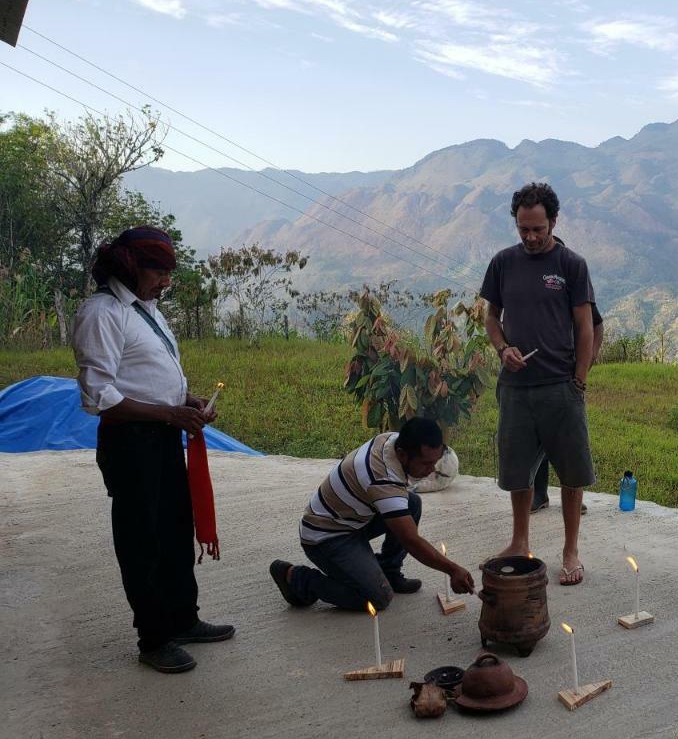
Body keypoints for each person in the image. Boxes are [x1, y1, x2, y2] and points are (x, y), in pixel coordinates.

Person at [71, 225, 234, 674]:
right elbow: (98, 396)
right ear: (131, 266)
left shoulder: (145, 309)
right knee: (143, 539)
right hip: (130, 443)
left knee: (175, 530)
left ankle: (183, 618)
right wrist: (167, 414)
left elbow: (144, 375)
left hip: (161, 435)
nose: (166, 281)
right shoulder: (101, 313)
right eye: (159, 271)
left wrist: (185, 400)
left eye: (168, 272)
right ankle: (154, 637)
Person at [481, 182, 596, 585]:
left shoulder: (571, 265)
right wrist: (502, 349)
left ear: (553, 222)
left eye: (538, 230)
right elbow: (492, 317)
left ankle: (570, 550)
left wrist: (579, 378)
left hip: (560, 386)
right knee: (518, 472)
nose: (530, 237)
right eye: (523, 229)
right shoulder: (503, 263)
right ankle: (519, 541)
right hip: (516, 388)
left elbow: (585, 327)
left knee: (572, 472)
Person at [270, 417, 476, 612]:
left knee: (411, 504)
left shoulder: (391, 440)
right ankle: (298, 579)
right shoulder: (382, 479)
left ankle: (389, 570)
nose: (432, 470)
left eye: (435, 462)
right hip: (326, 537)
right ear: (403, 454)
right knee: (377, 597)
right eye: (425, 464)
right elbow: (411, 540)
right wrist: (452, 569)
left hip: (352, 518)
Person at [531, 290, 604, 514]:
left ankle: (572, 496)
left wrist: (588, 361)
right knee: (536, 438)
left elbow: (597, 325)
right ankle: (538, 494)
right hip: (533, 375)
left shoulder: (571, 287)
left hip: (568, 378)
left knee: (567, 441)